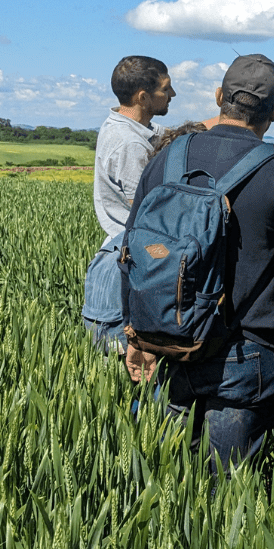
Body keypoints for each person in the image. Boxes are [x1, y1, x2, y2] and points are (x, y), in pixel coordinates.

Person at [121, 54, 274, 466]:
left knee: (169, 487)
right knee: (226, 502)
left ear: (218, 97)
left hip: (172, 345)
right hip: (247, 359)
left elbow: (131, 253)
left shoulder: (167, 158)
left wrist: (134, 336)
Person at [82, 56, 176, 352]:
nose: (172, 95)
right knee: (129, 367)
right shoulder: (130, 145)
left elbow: (172, 133)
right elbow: (149, 216)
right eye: (166, 89)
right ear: (143, 97)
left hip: (120, 255)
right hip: (129, 264)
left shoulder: (124, 125)